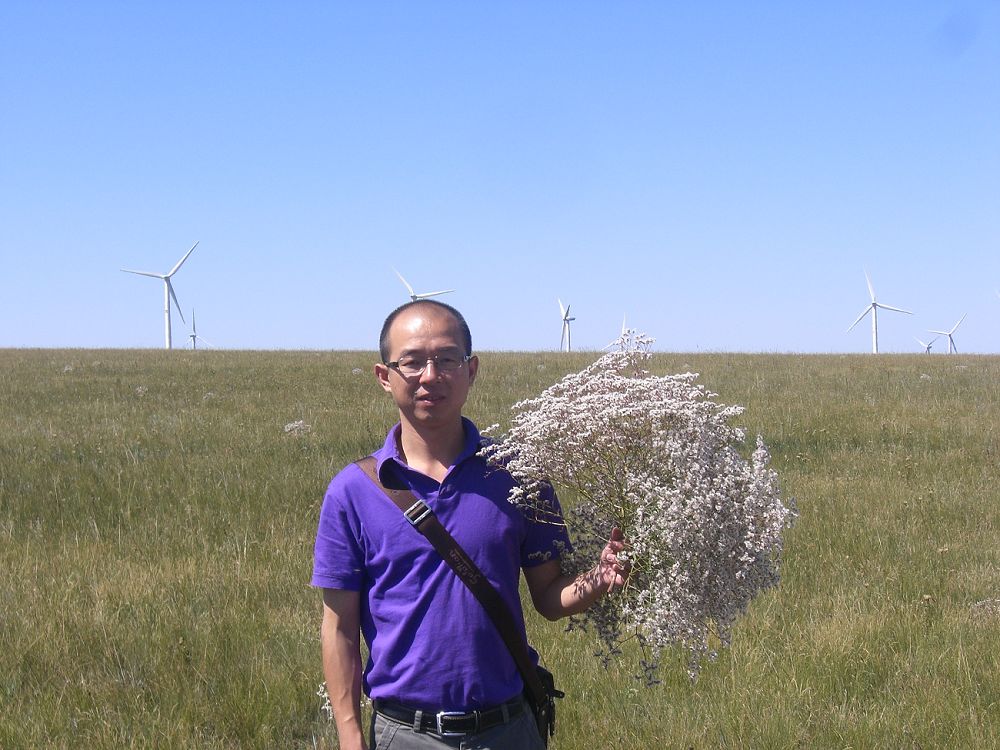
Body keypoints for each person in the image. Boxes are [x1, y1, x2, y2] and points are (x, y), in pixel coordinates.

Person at [312, 299, 628, 750]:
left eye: (446, 359)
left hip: (509, 728)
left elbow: (550, 597)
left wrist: (601, 577)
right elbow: (339, 626)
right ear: (385, 377)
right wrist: (349, 735)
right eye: (412, 362)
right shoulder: (353, 491)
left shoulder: (519, 475)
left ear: (472, 369)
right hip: (404, 733)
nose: (430, 375)